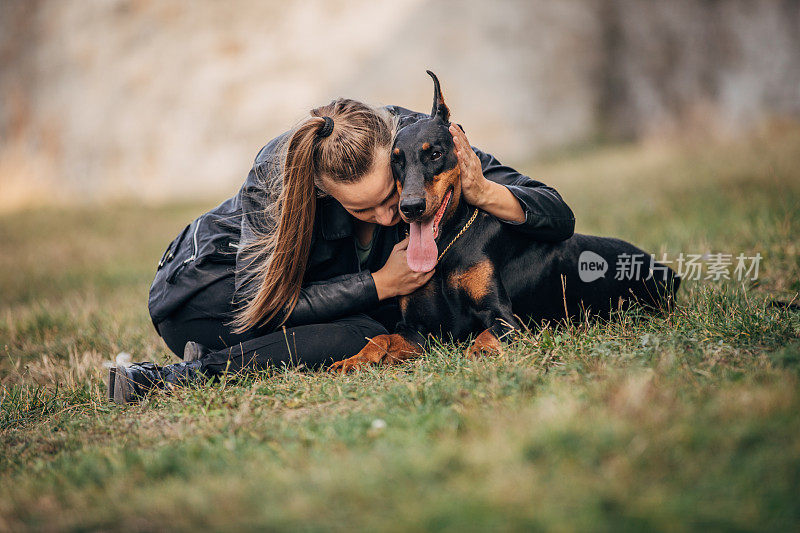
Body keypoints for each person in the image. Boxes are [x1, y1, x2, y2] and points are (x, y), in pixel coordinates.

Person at [109, 99, 575, 404]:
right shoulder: (280, 174)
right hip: (206, 294)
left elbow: (558, 215)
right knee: (361, 334)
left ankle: (246, 356)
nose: (390, 216)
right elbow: (267, 301)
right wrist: (379, 283)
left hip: (291, 305)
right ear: (327, 193)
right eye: (363, 209)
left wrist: (482, 189)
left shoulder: (420, 145)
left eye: (390, 197)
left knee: (370, 333)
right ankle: (172, 377)